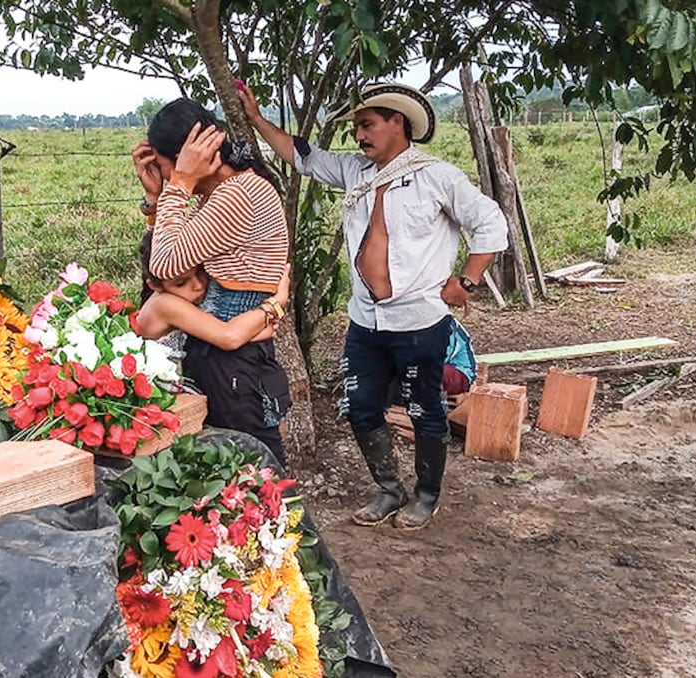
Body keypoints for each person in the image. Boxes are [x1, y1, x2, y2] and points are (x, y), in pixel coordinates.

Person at [240, 81, 508, 530]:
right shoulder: (357, 174)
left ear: (397, 123)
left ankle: (426, 495)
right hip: (366, 320)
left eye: (367, 125)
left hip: (421, 319)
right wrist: (256, 118)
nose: (359, 136)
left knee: (425, 409)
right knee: (360, 406)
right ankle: (388, 488)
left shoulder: (436, 176)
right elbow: (302, 155)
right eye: (357, 129)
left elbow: (491, 221)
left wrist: (467, 281)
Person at [132, 98, 292, 462]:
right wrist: (157, 198)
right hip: (230, 357)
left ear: (190, 157)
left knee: (257, 473)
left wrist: (180, 183)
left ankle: (293, 521)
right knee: (242, 471)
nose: (169, 176)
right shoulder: (228, 192)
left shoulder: (237, 195)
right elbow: (175, 255)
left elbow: (166, 265)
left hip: (234, 367)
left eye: (167, 167)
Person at [134, 229, 291, 353]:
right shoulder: (164, 304)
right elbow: (230, 337)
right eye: (181, 283)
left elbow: (231, 335)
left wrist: (254, 329)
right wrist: (275, 305)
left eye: (201, 271)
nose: (198, 285)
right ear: (156, 286)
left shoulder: (178, 298)